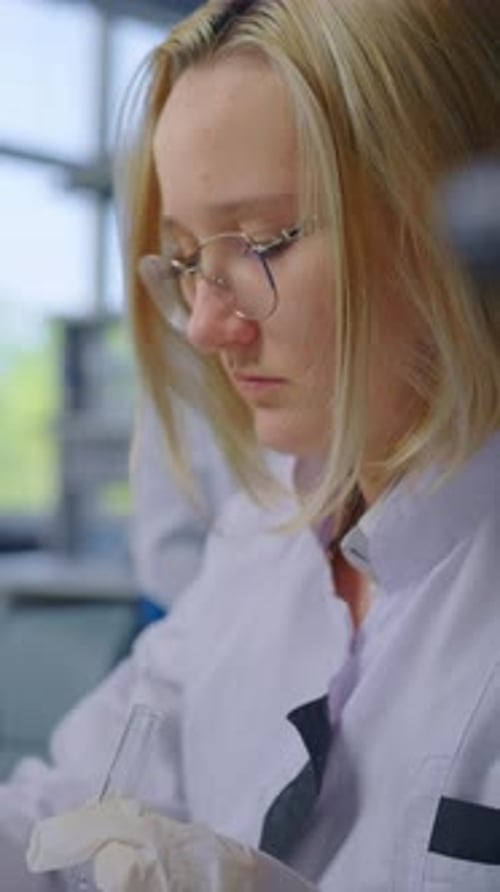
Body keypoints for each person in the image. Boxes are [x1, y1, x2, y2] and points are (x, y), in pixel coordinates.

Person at [3, 0, 500, 888]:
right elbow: (58, 817)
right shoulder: (263, 531)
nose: (203, 327)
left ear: (462, 221)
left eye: (265, 242)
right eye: (188, 259)